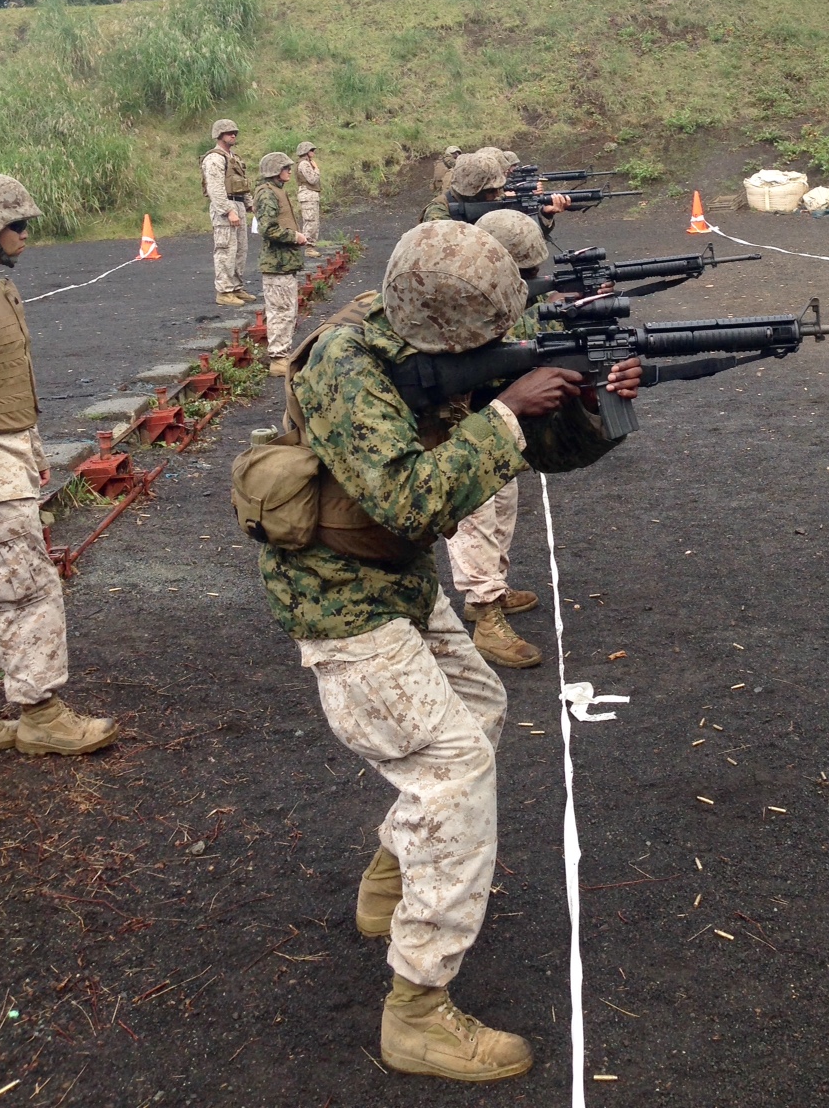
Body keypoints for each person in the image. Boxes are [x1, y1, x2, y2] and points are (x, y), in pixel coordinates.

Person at [254, 221, 640, 1081]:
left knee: (481, 708)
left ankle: (392, 880)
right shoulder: (346, 366)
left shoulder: (442, 343)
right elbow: (407, 500)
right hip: (339, 596)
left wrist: (590, 405)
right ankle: (418, 1012)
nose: (503, 346)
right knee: (454, 768)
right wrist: (506, 411)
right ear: (449, 325)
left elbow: (546, 452)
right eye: (493, 337)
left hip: (395, 584)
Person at [0, 174, 117, 756]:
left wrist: (29, 457)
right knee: (25, 589)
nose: (26, 234)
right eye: (16, 224)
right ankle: (40, 714)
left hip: (4, 453)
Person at [443, 210, 553, 669]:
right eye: (523, 271)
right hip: (453, 417)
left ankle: (488, 590)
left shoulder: (495, 293)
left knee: (503, 498)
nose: (531, 279)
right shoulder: (457, 297)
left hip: (486, 412)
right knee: (474, 511)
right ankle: (485, 617)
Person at [422, 148, 571, 233]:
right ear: (472, 191)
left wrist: (545, 214)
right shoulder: (438, 213)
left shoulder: (494, 202)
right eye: (491, 191)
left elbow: (523, 243)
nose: (497, 194)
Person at [253, 153, 307, 378]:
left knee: (286, 312)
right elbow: (268, 229)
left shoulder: (276, 191)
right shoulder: (267, 194)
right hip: (277, 264)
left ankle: (282, 354)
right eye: (285, 168)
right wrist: (295, 237)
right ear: (275, 170)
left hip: (282, 264)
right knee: (281, 312)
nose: (288, 171)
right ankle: (278, 358)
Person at [201, 118, 255, 308]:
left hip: (237, 203)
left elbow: (242, 182)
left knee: (240, 249)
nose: (233, 135)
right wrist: (227, 210)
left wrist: (250, 204)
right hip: (226, 206)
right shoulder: (214, 158)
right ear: (219, 135)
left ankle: (236, 287)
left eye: (235, 132)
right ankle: (224, 291)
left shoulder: (234, 158)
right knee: (226, 249)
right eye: (229, 132)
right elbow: (215, 188)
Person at [296, 141, 322, 257]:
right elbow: (312, 179)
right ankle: (308, 247)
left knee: (313, 222)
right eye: (311, 150)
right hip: (308, 195)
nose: (313, 152)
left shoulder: (306, 163)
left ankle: (310, 246)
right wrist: (316, 169)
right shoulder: (304, 164)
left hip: (310, 195)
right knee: (310, 221)